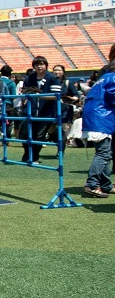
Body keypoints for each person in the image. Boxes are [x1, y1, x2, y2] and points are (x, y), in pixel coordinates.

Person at [81, 58, 115, 198]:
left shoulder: (104, 77)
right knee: (103, 154)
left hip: (94, 117)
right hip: (101, 118)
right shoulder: (113, 78)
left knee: (105, 152)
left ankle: (106, 185)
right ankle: (92, 184)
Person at [20, 56, 61, 163]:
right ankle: (27, 154)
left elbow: (56, 96)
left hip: (46, 112)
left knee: (39, 135)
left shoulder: (52, 78)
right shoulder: (30, 78)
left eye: (42, 64)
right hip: (30, 111)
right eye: (37, 64)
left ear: (46, 66)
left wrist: (39, 95)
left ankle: (34, 157)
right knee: (25, 134)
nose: (39, 66)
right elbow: (24, 92)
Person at [53, 64, 81, 146]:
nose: (57, 72)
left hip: (65, 108)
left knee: (64, 128)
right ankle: (59, 143)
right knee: (53, 128)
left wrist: (72, 98)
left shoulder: (68, 83)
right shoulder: (51, 82)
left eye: (59, 70)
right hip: (53, 108)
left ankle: (62, 147)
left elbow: (76, 95)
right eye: (55, 70)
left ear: (63, 72)